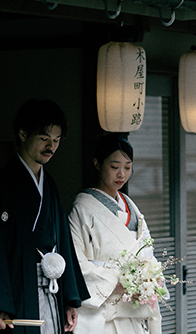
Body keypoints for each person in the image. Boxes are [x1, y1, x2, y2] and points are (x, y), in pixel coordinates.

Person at [0, 99, 89, 334]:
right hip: (15, 293)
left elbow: (63, 243)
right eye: (44, 139)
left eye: (56, 140)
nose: (51, 147)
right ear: (23, 134)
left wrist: (70, 298)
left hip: (51, 291)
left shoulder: (50, 185)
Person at [68, 134, 162, 334]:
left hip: (132, 306)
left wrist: (147, 280)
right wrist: (118, 281)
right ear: (97, 163)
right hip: (101, 312)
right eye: (114, 167)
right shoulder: (81, 208)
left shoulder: (131, 206)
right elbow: (77, 263)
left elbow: (146, 252)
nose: (122, 174)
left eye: (127, 167)